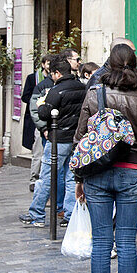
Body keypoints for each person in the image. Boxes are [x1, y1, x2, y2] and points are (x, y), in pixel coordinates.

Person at [74, 43, 137, 273]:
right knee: (125, 243)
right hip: (132, 172)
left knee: (100, 244)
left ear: (108, 64)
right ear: (134, 65)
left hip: (97, 173)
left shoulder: (94, 95)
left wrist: (78, 179)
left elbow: (80, 139)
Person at [20, 54, 85, 227]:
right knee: (72, 178)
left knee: (47, 176)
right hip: (76, 139)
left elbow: (43, 113)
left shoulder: (56, 91)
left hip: (59, 139)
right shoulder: (82, 87)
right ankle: (70, 215)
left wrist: (42, 105)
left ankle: (37, 214)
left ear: (57, 73)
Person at [26, 55, 55, 191]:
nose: (49, 66)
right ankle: (34, 179)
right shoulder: (34, 79)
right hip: (40, 121)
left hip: (50, 123)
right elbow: (27, 97)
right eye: (48, 63)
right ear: (43, 64)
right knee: (38, 152)